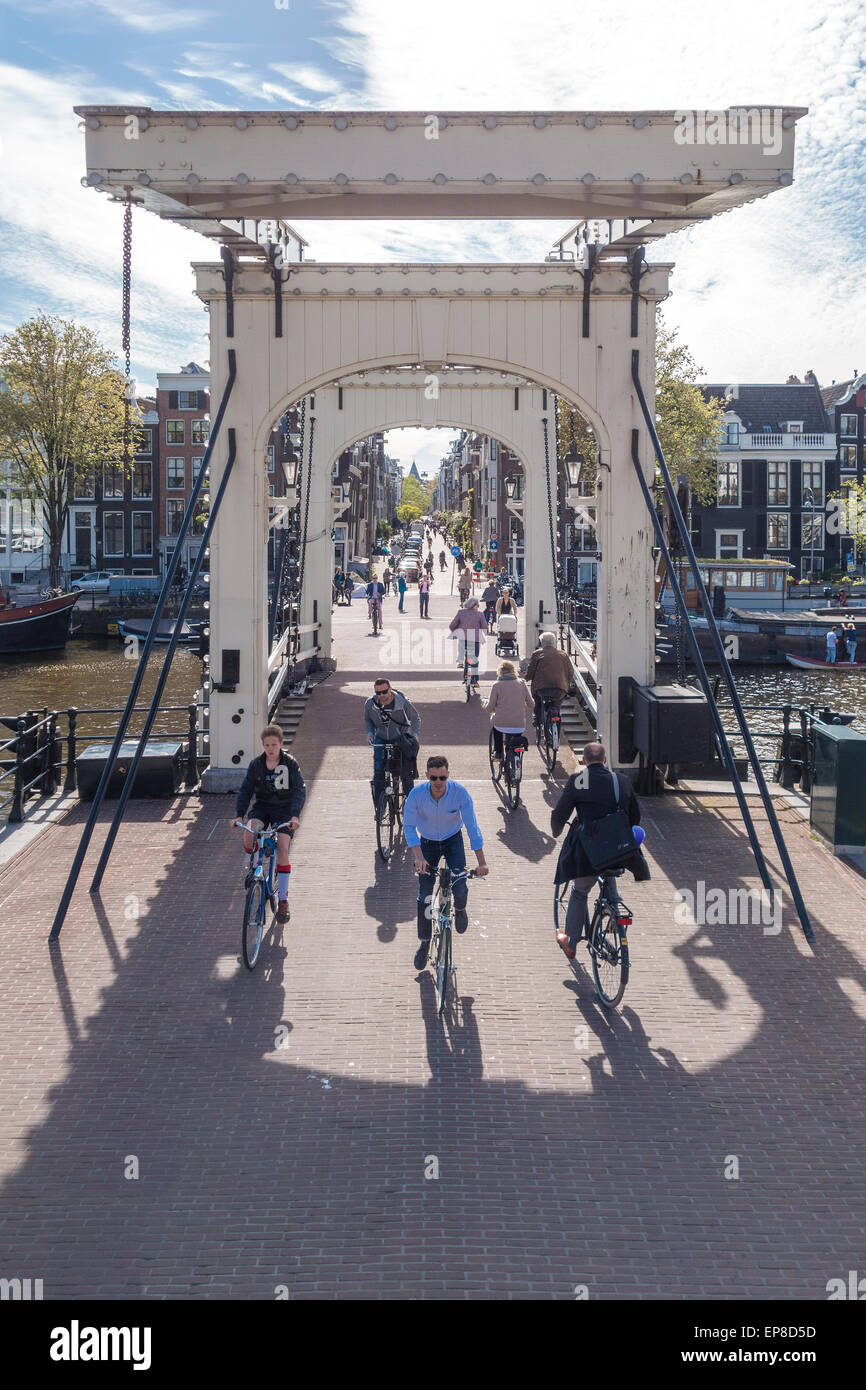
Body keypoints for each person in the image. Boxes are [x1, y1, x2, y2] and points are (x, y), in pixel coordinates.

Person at [550, 741, 649, 959]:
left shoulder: (580, 780)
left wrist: (555, 830)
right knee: (608, 862)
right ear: (605, 761)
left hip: (589, 851)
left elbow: (561, 813)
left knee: (580, 891)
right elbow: (635, 817)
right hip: (619, 850)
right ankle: (614, 909)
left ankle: (571, 941)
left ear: (584, 761)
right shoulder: (620, 780)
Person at [404, 754, 489, 969]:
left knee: (460, 886)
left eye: (442, 777)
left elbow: (472, 828)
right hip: (428, 844)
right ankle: (424, 942)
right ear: (427, 777)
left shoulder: (460, 793)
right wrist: (419, 858)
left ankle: (460, 909)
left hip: (453, 840)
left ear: (448, 775)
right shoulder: (416, 795)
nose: (438, 783)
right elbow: (408, 827)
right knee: (424, 896)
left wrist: (482, 862)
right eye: (433, 778)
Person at [233, 723, 306, 924]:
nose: (271, 749)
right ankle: (252, 866)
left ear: (281, 744)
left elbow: (300, 789)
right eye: (267, 745)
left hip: (284, 810)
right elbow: (246, 790)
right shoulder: (256, 765)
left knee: (282, 849)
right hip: (263, 807)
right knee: (250, 831)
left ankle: (282, 900)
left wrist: (294, 816)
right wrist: (239, 815)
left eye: (274, 744)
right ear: (263, 746)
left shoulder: (290, 764)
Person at [364, 677, 421, 813]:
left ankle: (411, 807)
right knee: (378, 772)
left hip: (399, 738)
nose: (382, 696)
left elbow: (415, 718)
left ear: (390, 689)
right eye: (378, 693)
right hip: (381, 738)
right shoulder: (370, 704)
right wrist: (370, 733)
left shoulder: (402, 702)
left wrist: (414, 736)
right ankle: (380, 806)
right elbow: (368, 720)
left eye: (384, 692)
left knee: (405, 773)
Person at [484, 660, 534, 766]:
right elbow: (531, 704)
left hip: (501, 723)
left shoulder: (496, 685)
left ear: (500, 672)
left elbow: (489, 708)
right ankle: (514, 759)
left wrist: (487, 706)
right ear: (513, 671)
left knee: (495, 727)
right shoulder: (521, 683)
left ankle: (498, 752)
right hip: (519, 725)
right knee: (514, 740)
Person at [525, 631, 573, 728]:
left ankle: (537, 718)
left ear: (542, 643)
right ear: (554, 642)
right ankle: (556, 722)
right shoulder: (563, 655)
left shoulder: (537, 654)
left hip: (541, 689)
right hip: (560, 689)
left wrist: (527, 677)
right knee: (557, 705)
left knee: (538, 701)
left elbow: (530, 673)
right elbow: (570, 672)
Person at [449, 596, 488, 688]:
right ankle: (474, 680)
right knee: (474, 659)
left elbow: (452, 625)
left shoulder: (461, 612)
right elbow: (485, 627)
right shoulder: (480, 614)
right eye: (478, 605)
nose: (478, 607)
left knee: (466, 656)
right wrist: (485, 632)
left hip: (463, 638)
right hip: (475, 639)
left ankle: (465, 675)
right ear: (474, 606)